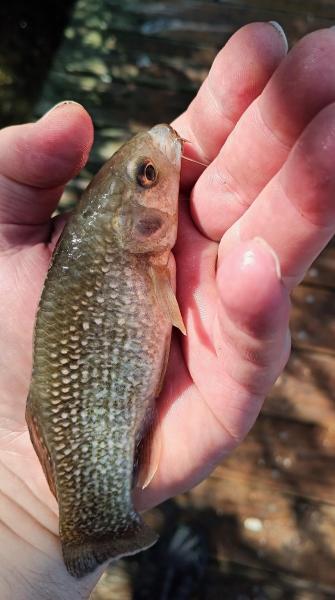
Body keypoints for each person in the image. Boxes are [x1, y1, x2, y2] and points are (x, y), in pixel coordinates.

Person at [0, 21, 334, 598]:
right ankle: (95, 526)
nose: (161, 155)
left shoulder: (133, 247)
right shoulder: (130, 252)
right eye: (147, 177)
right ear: (138, 223)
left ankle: (96, 529)